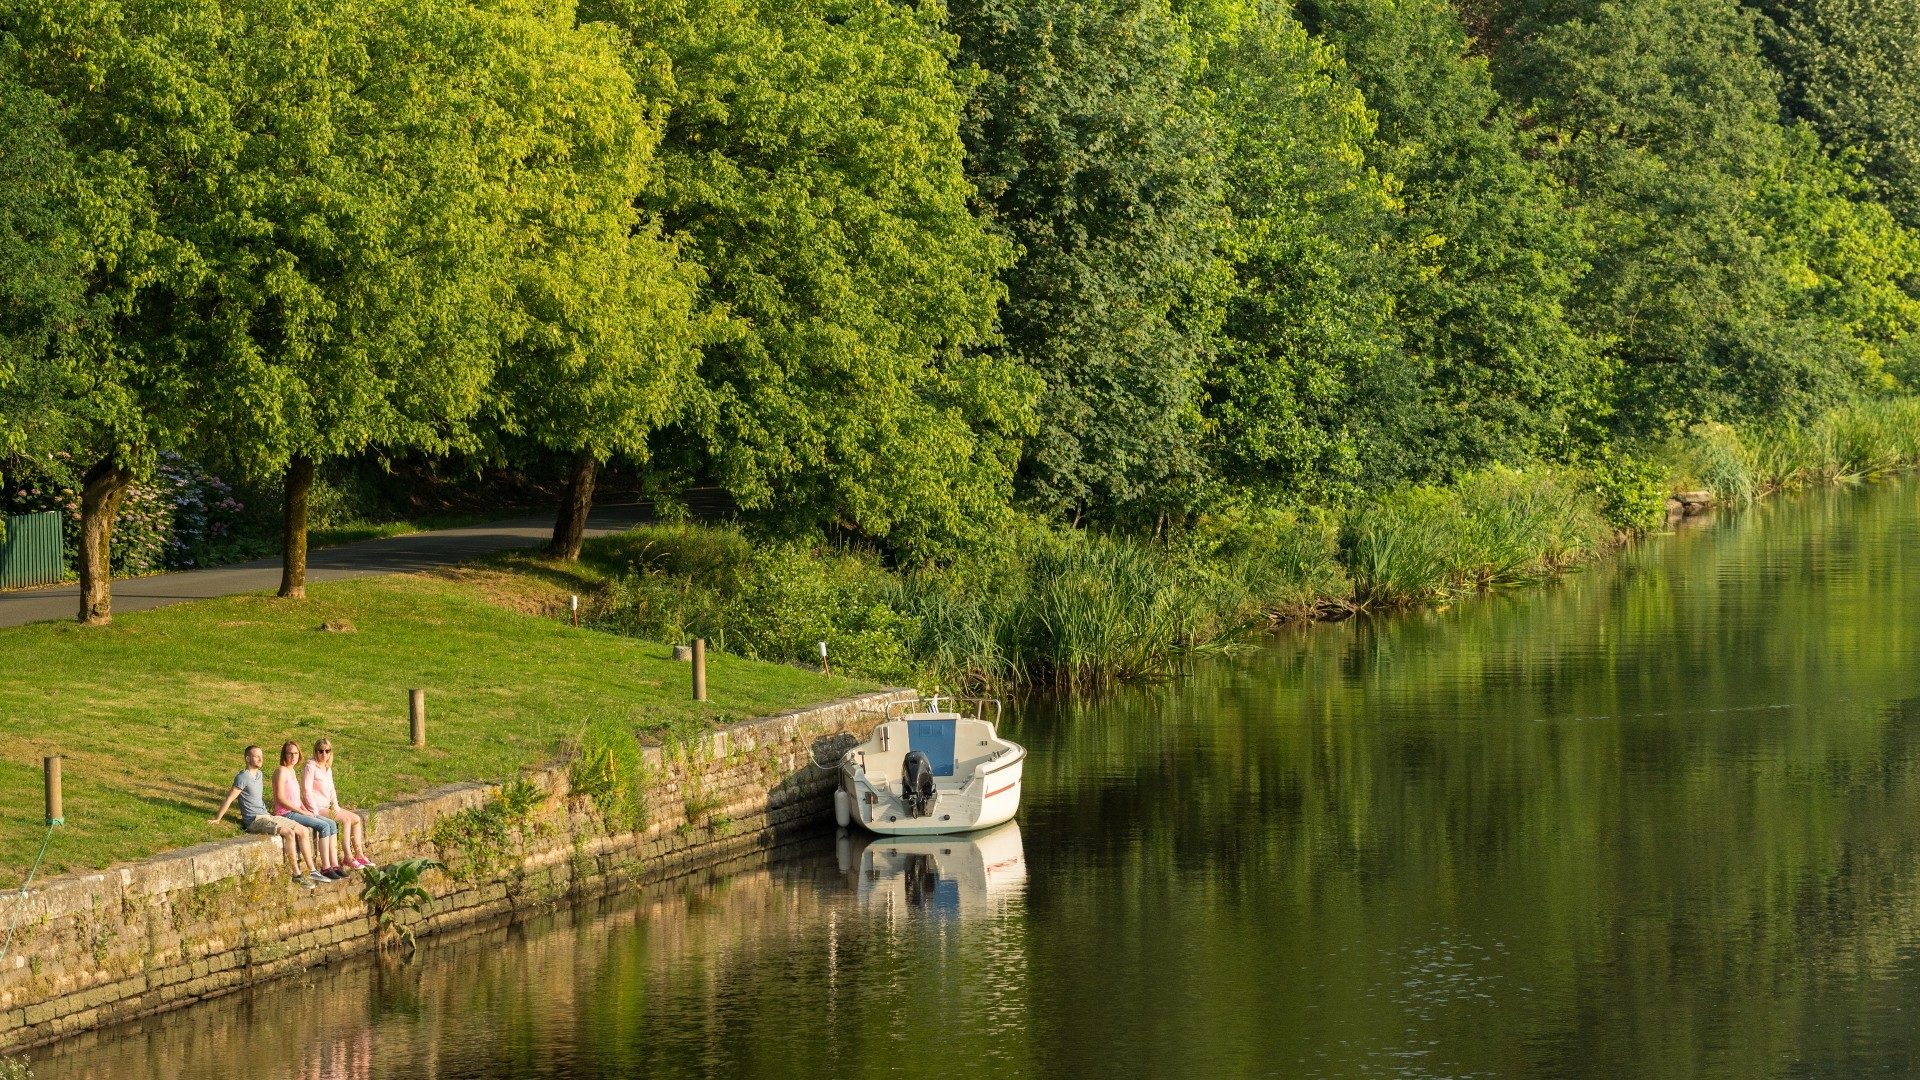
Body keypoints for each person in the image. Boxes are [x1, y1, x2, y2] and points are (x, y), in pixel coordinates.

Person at [211, 745, 327, 889]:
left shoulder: (259, 774)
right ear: (247, 758)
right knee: (289, 833)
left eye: (261, 756)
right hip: (255, 820)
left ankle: (313, 870)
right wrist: (218, 818)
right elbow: (230, 798)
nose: (260, 759)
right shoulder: (242, 777)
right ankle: (297, 875)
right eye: (256, 756)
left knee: (303, 830)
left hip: (267, 815)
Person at [274, 741, 348, 880]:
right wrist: (302, 812)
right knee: (323, 825)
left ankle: (334, 865)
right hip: (286, 813)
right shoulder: (280, 771)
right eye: (289, 753)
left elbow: (296, 798)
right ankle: (325, 867)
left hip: (297, 810)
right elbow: (280, 799)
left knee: (332, 824)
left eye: (296, 753)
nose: (293, 756)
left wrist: (304, 808)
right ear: (284, 754)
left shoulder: (292, 771)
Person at [303, 738, 374, 870]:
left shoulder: (327, 768)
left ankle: (359, 854)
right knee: (345, 820)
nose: (324, 754)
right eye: (321, 751)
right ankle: (347, 856)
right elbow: (306, 790)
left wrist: (335, 806)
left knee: (356, 819)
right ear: (315, 751)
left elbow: (331, 789)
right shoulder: (310, 766)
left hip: (328, 805)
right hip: (317, 807)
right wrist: (313, 810)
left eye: (327, 751)